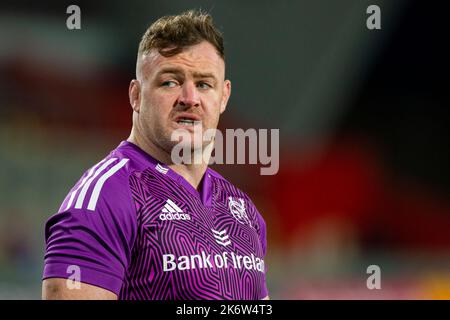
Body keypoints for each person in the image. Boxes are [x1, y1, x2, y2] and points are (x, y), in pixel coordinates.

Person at [42, 10, 269, 300]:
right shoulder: (104, 199)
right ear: (135, 95)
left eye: (203, 84)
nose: (189, 98)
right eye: (170, 82)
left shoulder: (244, 212)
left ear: (223, 96)